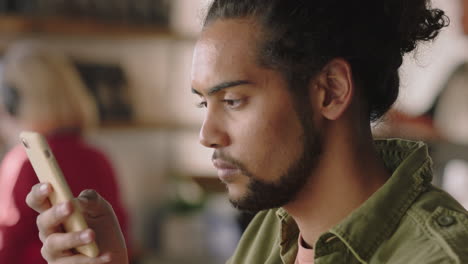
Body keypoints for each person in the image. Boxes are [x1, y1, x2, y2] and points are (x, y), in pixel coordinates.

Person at [26, 0, 468, 263]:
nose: (208, 134)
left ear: (330, 91)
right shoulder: (269, 233)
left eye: (233, 100)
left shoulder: (437, 257)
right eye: (204, 103)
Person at [0, 43, 130, 264]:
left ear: (14, 102)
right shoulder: (99, 158)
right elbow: (123, 235)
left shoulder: (21, 162)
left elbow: (7, 250)